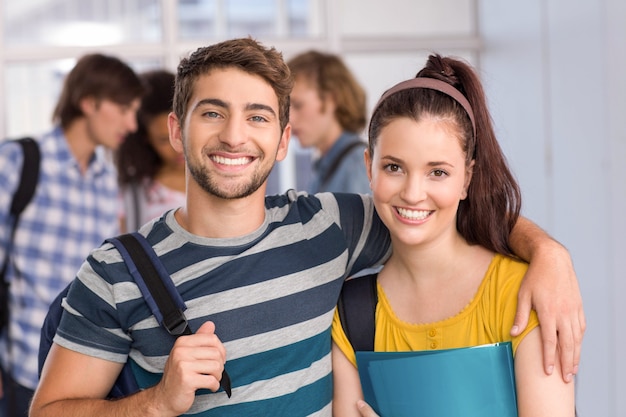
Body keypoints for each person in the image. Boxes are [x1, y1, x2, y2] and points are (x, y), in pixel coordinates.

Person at [30, 38, 583, 417]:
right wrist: (157, 402)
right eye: (212, 112)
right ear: (177, 129)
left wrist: (550, 255)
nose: (234, 136)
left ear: (283, 139)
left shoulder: (328, 227)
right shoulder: (114, 270)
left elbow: (434, 210)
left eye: (258, 116)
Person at [331, 54, 576, 417]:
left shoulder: (522, 293)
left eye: (438, 172)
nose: (413, 193)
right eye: (394, 167)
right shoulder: (352, 315)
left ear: (467, 177)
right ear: (369, 167)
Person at [0, 53, 143, 416]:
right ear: (89, 102)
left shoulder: (106, 182)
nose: (131, 124)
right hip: (19, 370)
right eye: (124, 109)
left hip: (83, 376)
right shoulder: (19, 161)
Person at [288, 50, 370, 194]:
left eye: (298, 105)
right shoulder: (326, 167)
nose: (290, 119)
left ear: (331, 99)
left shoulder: (356, 167)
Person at [115, 69, 186, 233]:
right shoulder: (134, 196)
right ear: (145, 138)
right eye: (163, 139)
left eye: (184, 132)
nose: (178, 146)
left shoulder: (226, 178)